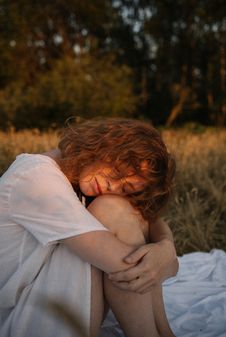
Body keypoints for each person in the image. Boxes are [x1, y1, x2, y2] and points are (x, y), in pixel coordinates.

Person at [0, 117, 178, 337]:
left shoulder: (81, 175)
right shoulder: (36, 178)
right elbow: (133, 268)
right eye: (118, 173)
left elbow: (151, 222)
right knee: (112, 210)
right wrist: (164, 262)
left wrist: (166, 247)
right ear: (105, 146)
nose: (113, 186)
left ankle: (162, 332)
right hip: (22, 317)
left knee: (123, 210)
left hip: (43, 299)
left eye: (126, 188)